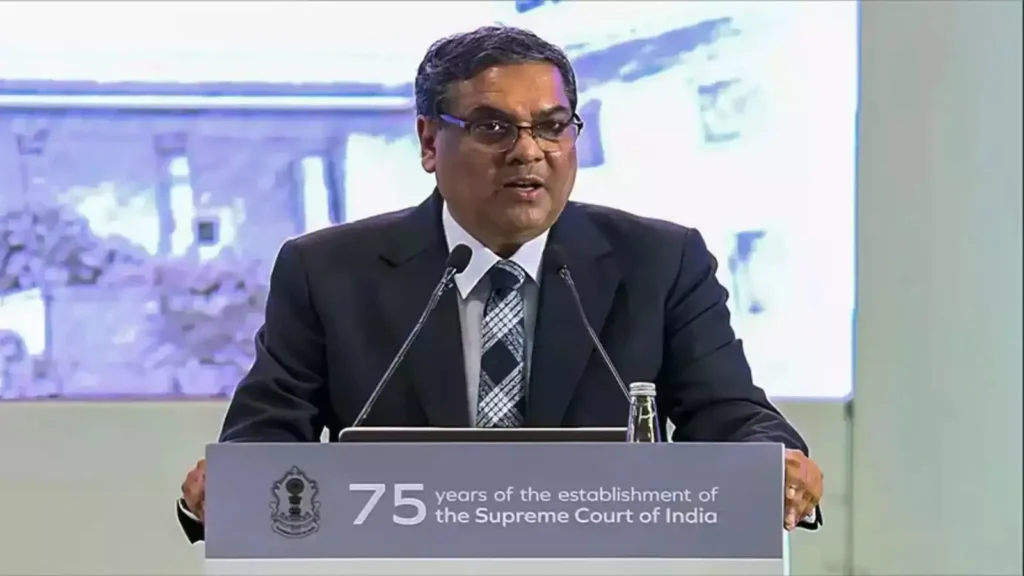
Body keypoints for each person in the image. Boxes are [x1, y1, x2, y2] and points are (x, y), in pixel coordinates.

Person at [177, 25, 823, 543]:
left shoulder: (660, 262)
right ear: (429, 141)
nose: (528, 151)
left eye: (552, 126)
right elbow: (266, 437)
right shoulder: (328, 271)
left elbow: (731, 416)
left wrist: (774, 465)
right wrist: (232, 485)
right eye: (493, 128)